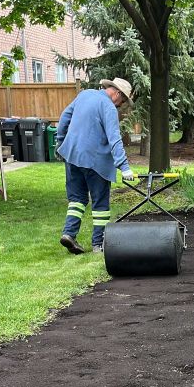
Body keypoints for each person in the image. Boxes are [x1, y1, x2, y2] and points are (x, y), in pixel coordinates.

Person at [56, 77, 134, 255]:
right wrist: (124, 167)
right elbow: (114, 138)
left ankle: (69, 234)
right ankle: (98, 245)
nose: (121, 105)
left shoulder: (84, 95)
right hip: (95, 160)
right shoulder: (108, 107)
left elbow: (64, 118)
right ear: (117, 93)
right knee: (100, 203)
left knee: (77, 199)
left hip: (72, 155)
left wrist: (61, 142)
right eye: (123, 101)